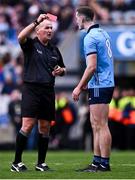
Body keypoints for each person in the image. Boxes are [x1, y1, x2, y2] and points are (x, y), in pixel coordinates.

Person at [11, 13, 66, 172]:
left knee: (45, 128)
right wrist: (36, 21)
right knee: (27, 125)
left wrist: (61, 71)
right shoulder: (31, 45)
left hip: (48, 91)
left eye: (51, 28)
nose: (50, 30)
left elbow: (63, 69)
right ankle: (16, 162)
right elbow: (20, 36)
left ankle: (40, 163)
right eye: (46, 28)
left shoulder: (54, 49)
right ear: (38, 31)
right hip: (31, 90)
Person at [72, 6, 114, 172]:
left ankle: (104, 163)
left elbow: (91, 67)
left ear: (82, 18)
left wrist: (79, 86)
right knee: (95, 123)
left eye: (77, 18)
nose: (76, 21)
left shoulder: (89, 37)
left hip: (99, 84)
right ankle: (97, 162)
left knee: (101, 124)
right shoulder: (103, 33)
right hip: (105, 82)